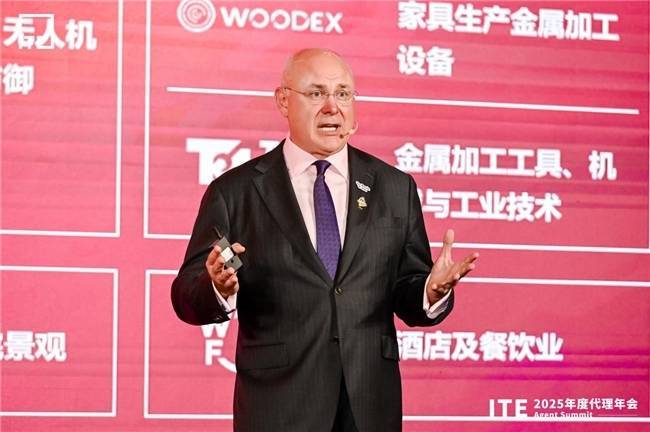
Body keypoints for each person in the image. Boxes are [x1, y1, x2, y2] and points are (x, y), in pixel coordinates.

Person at [171, 48, 478, 432]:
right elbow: (186, 295)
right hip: (278, 407)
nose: (333, 107)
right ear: (283, 101)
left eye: (343, 94)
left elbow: (407, 290)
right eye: (316, 93)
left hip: (369, 405)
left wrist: (431, 291)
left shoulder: (394, 187)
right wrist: (216, 286)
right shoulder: (236, 192)